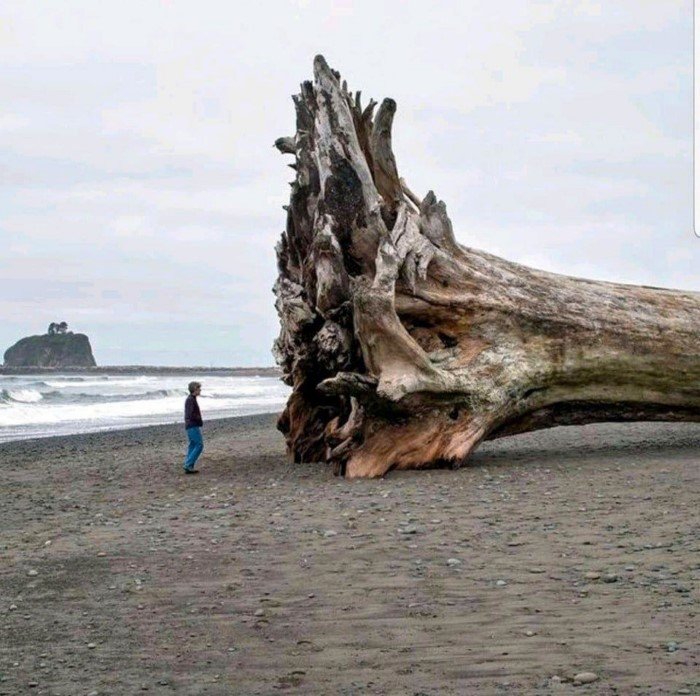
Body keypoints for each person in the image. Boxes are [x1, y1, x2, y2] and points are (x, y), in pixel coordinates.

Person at [183, 381, 204, 474]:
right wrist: (198, 419)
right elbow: (190, 414)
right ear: (195, 389)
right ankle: (188, 464)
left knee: (193, 444)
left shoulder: (192, 399)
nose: (200, 390)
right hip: (192, 425)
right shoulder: (190, 400)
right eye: (199, 388)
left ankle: (189, 465)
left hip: (191, 425)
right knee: (199, 444)